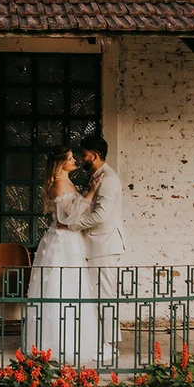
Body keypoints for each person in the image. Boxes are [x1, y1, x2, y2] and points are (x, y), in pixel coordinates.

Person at [25, 146, 102, 364]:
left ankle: (77, 341)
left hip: (70, 240)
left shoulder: (66, 182)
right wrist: (91, 193)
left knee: (72, 287)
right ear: (61, 163)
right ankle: (58, 345)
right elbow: (66, 218)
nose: (75, 161)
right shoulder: (59, 185)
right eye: (70, 159)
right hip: (61, 242)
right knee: (60, 288)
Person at [60, 135, 126, 360]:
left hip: (104, 244)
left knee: (106, 295)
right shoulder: (98, 177)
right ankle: (102, 341)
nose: (81, 158)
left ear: (94, 156)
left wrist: (72, 225)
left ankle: (109, 345)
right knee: (97, 294)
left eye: (84, 154)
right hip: (96, 244)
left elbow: (100, 216)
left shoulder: (108, 180)